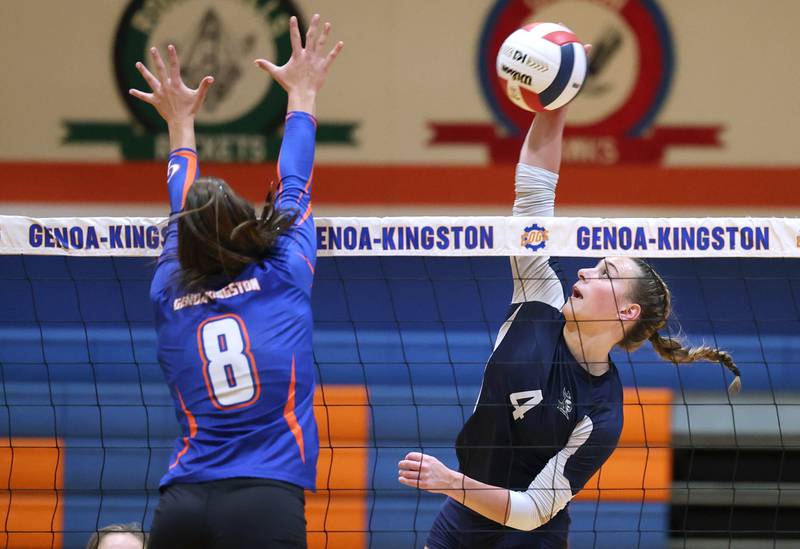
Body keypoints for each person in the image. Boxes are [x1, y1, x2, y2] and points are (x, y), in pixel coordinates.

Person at [397, 103, 741, 547]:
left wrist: (449, 482)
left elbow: (532, 511)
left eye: (605, 275)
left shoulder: (603, 412)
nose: (584, 273)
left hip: (527, 537)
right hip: (459, 524)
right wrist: (554, 105)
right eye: (593, 266)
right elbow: (533, 198)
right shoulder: (539, 297)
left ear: (627, 313)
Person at [128, 14, 343, 548]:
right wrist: (303, 93)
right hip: (265, 499)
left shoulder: (169, 291)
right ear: (246, 221)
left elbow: (183, 212)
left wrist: (180, 125)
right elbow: (295, 182)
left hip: (183, 502)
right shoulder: (284, 272)